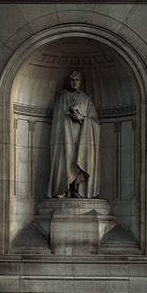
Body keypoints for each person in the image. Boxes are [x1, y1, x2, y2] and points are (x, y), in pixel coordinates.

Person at [47, 70, 100, 199]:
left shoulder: (86, 99)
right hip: (65, 137)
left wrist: (81, 118)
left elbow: (95, 122)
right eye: (72, 80)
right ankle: (63, 189)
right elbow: (57, 121)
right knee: (65, 161)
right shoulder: (62, 97)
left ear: (80, 82)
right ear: (69, 82)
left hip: (81, 137)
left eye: (77, 80)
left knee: (79, 160)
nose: (74, 82)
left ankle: (78, 189)